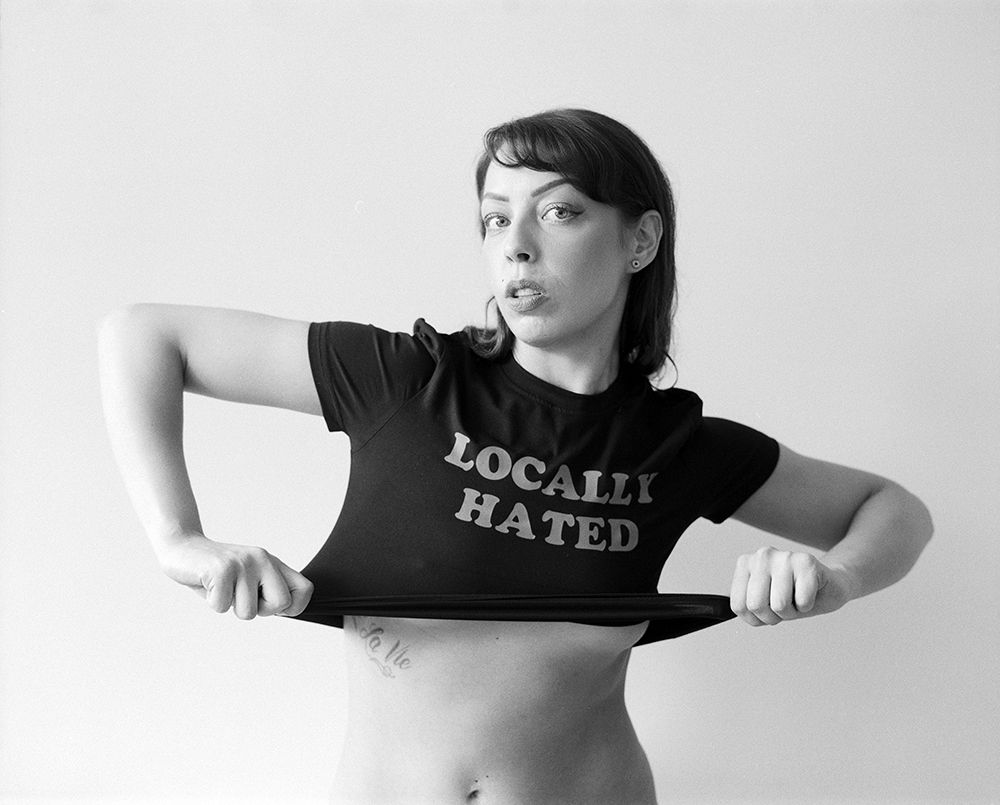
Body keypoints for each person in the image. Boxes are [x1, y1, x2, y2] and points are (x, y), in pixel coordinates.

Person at [98, 108, 933, 805]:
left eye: (558, 212)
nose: (516, 245)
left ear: (640, 241)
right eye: (496, 218)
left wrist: (836, 578)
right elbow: (142, 336)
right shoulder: (406, 382)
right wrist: (179, 540)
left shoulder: (676, 445)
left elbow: (896, 511)